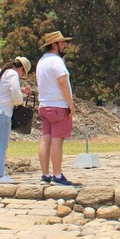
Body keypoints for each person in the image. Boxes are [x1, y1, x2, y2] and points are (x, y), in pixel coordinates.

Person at [0, 56, 32, 183]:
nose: (21, 76)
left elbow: (5, 89)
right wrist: (20, 101)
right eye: (23, 73)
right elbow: (15, 93)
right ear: (21, 69)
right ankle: (0, 175)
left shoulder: (2, 71)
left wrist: (21, 91)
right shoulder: (13, 74)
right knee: (2, 145)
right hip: (2, 112)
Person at [36, 30, 76, 186]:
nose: (65, 45)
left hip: (44, 104)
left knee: (45, 139)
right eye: (62, 42)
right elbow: (62, 82)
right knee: (57, 141)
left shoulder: (41, 62)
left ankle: (45, 174)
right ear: (54, 45)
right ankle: (57, 174)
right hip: (58, 105)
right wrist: (70, 104)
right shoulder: (56, 61)